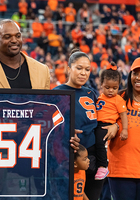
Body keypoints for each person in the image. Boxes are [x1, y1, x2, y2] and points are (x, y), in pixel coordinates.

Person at [0, 19, 80, 151]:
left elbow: (45, 112)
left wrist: (66, 132)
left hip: (33, 150)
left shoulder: (42, 70)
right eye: (7, 37)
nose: (14, 40)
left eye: (18, 36)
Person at [54, 49, 118, 200]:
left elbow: (106, 116)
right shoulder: (56, 93)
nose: (83, 73)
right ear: (69, 68)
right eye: (79, 68)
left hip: (94, 156)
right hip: (69, 156)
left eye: (87, 69)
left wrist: (116, 126)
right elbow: (49, 127)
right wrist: (64, 131)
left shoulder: (91, 93)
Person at [107, 57, 140, 200]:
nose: (138, 78)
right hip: (122, 170)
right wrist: (114, 125)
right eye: (135, 73)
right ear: (130, 76)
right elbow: (102, 123)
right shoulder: (118, 97)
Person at [94, 62, 128, 180]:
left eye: (115, 88)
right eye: (107, 87)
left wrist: (124, 129)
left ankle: (103, 166)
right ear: (101, 85)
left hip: (106, 125)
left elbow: (124, 116)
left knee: (99, 143)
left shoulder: (118, 99)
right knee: (94, 144)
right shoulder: (100, 97)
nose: (111, 91)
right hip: (97, 124)